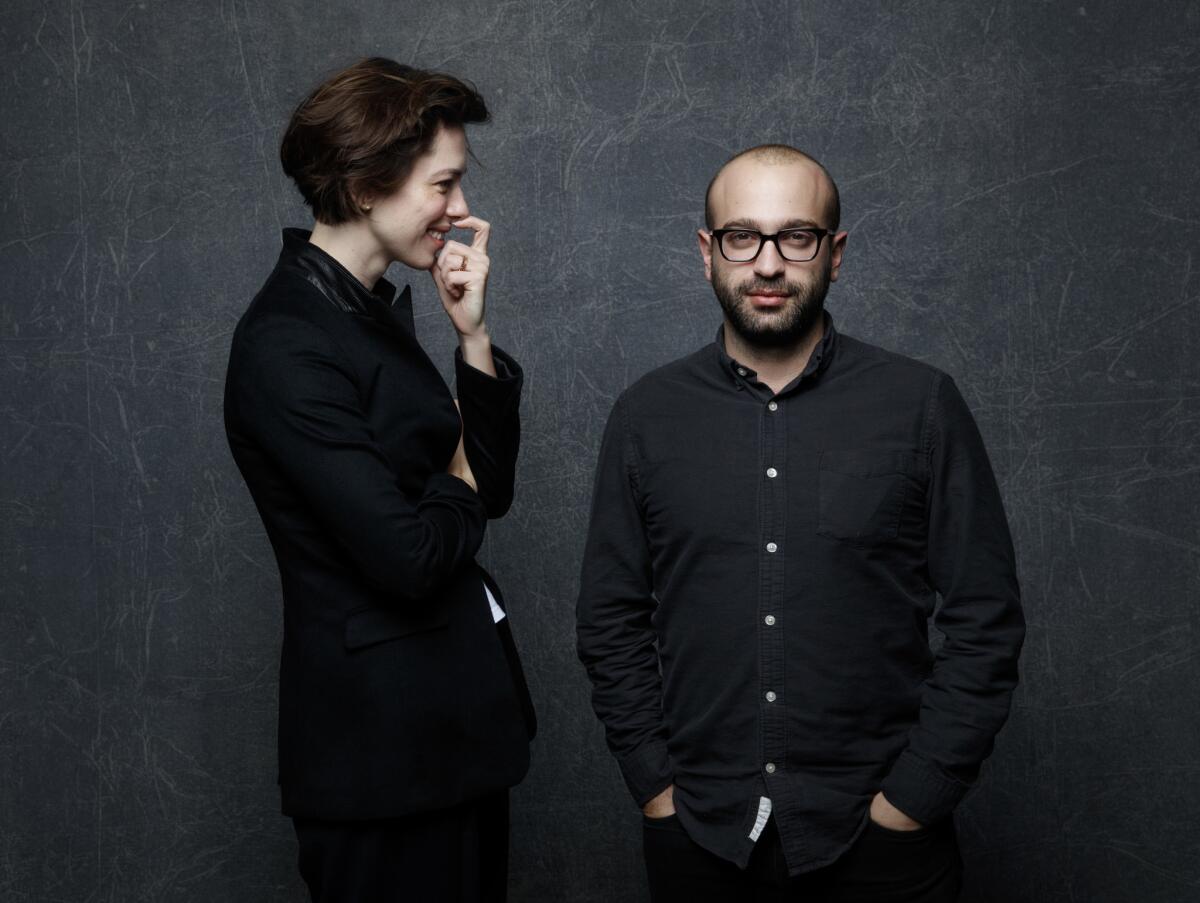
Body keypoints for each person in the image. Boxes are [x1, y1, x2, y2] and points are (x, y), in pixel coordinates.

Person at [576, 144, 1024, 902]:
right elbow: (609, 618)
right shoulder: (646, 417)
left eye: (798, 237)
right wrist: (655, 786)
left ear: (836, 253)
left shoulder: (920, 405)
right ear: (707, 252)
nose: (769, 263)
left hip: (884, 842)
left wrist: (915, 797)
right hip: (702, 839)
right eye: (742, 236)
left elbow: (987, 617)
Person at [223, 58, 535, 903]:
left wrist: (470, 339)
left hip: (448, 745)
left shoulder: (364, 314)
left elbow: (486, 491)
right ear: (366, 185)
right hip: (381, 767)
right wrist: (460, 469)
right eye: (445, 184)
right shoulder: (287, 344)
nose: (463, 210)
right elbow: (409, 556)